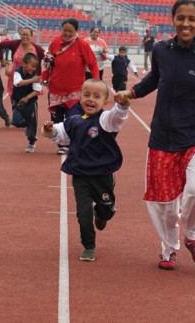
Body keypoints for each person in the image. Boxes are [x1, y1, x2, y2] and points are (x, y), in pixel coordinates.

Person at [116, 0, 195, 271]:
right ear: (173, 20)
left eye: (191, 19)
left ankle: (193, 236)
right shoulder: (162, 50)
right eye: (180, 18)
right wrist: (132, 92)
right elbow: (154, 78)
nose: (185, 23)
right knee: (165, 204)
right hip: (162, 137)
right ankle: (169, 250)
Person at [43, 79, 131, 262]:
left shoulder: (105, 120)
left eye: (97, 96)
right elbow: (61, 134)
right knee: (83, 215)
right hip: (81, 175)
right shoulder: (73, 121)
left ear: (105, 102)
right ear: (80, 98)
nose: (91, 99)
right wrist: (49, 130)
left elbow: (117, 117)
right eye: (87, 95)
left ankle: (102, 214)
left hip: (103, 176)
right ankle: (89, 246)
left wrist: (122, 107)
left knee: (106, 210)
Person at [42, 18, 99, 155]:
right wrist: (44, 77)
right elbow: (49, 63)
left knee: (74, 117)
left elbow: (92, 64)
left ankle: (73, 143)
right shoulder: (55, 43)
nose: (67, 33)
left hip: (75, 90)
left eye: (70, 31)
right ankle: (62, 145)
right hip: (56, 89)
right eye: (65, 30)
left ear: (76, 31)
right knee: (56, 119)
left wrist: (97, 83)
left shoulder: (82, 45)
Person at [0, 26, 46, 97]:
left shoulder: (37, 49)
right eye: (22, 34)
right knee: (15, 103)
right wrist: (2, 60)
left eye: (27, 35)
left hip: (31, 81)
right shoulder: (15, 44)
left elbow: (48, 58)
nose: (24, 36)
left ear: (32, 36)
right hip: (16, 79)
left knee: (29, 103)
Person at [12, 52, 43, 153]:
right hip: (17, 102)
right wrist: (31, 80)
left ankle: (31, 142)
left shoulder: (35, 76)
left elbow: (37, 90)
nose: (34, 69)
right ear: (24, 64)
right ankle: (26, 126)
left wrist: (27, 97)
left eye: (35, 67)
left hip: (30, 103)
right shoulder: (17, 72)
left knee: (32, 122)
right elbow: (18, 83)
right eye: (32, 66)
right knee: (16, 122)